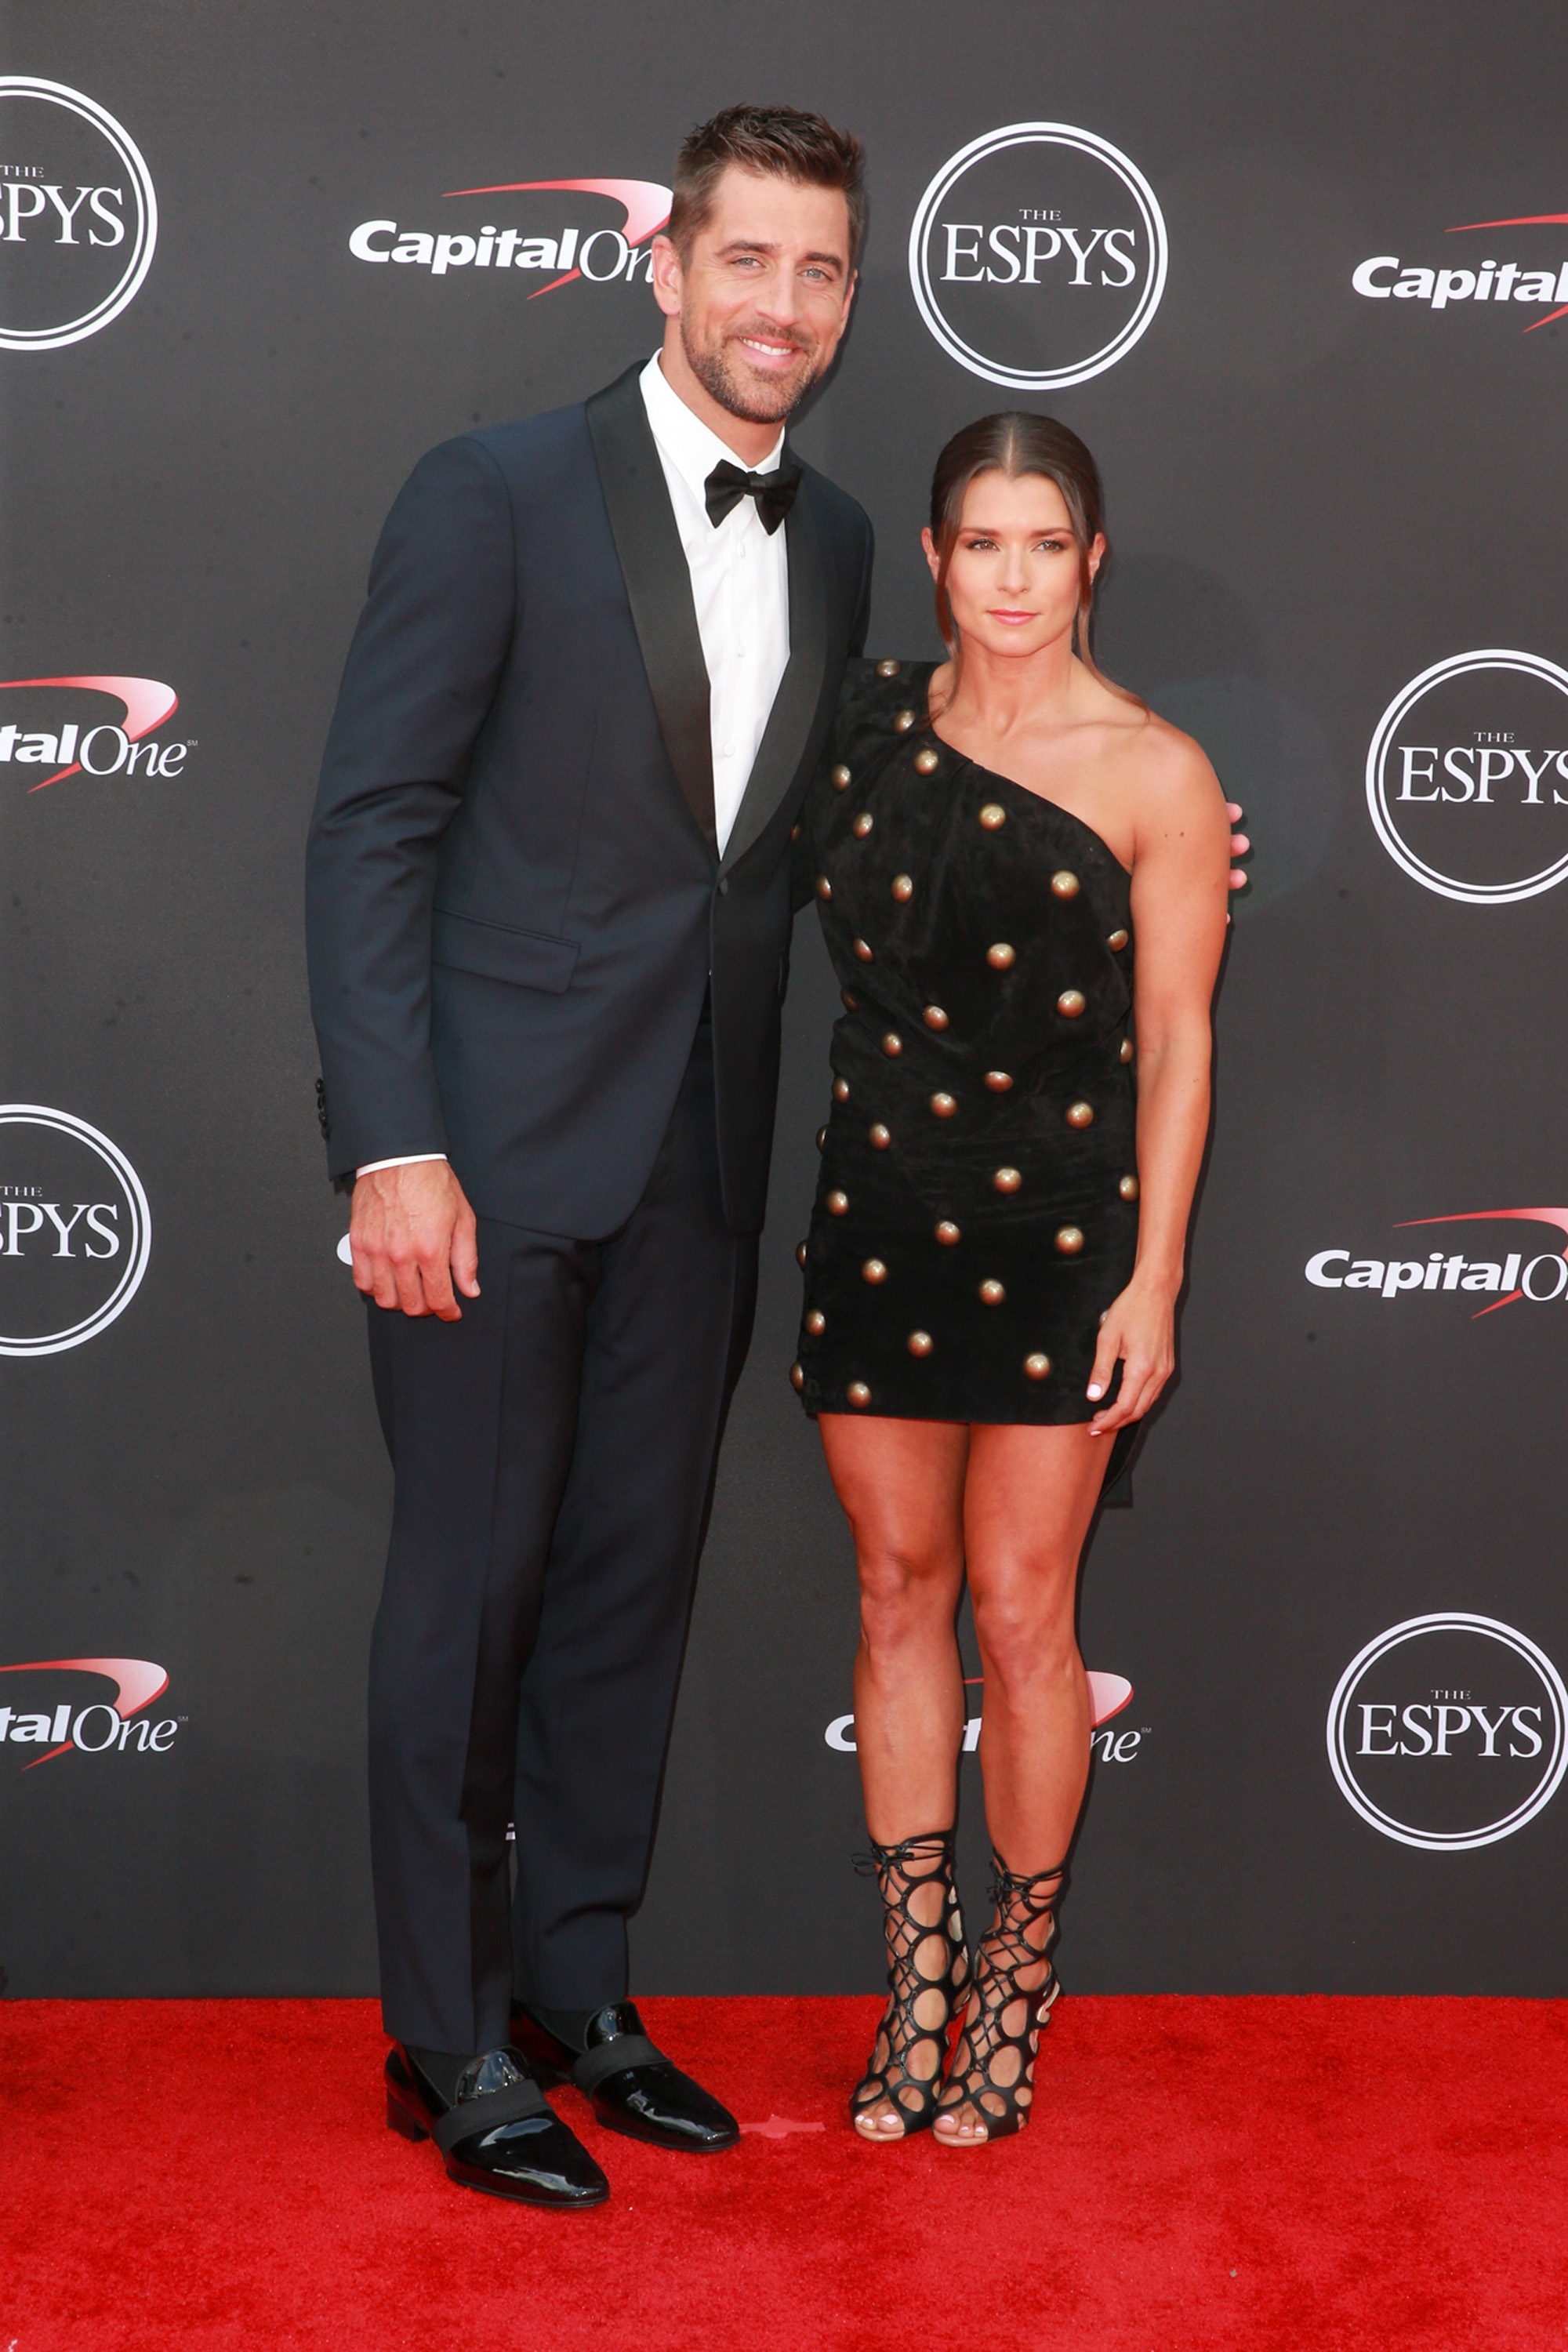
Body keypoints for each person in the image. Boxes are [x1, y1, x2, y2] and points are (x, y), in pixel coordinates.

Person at [305, 105, 873, 2209]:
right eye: (747, 263)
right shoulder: (497, 493)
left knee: (627, 1595)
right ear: (666, 266)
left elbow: (791, 856)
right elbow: (372, 827)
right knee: (469, 1597)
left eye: (819, 272)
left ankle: (575, 1986)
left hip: (701, 1158)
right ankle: (445, 2040)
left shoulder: (834, 542)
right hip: (486, 1159)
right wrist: (396, 1145)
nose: (779, 311)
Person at [790, 412, 1232, 2146]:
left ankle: (1012, 1994)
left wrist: (1157, 1280)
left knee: (1020, 1614)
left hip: (1062, 1238)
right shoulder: (860, 726)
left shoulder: (1158, 770)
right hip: (880, 1213)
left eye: (1045, 546)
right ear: (933, 560)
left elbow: (1180, 1045)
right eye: (984, 546)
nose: (1014, 581)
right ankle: (913, 1991)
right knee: (895, 1593)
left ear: (1092, 560)